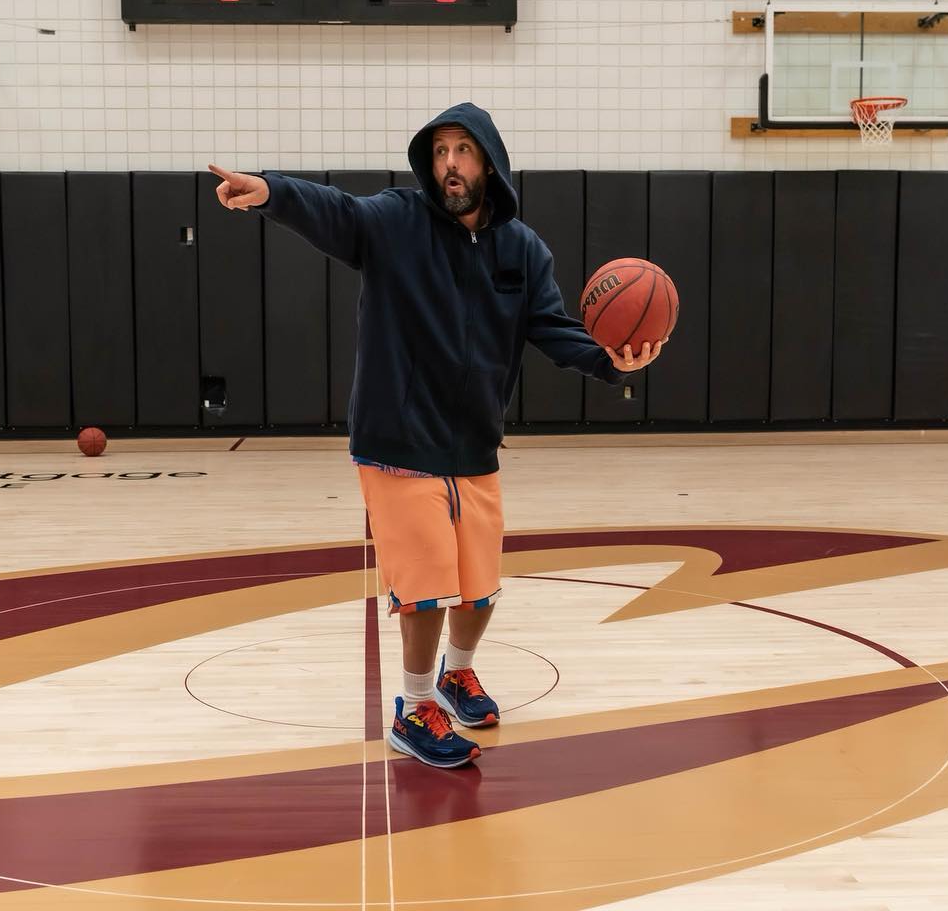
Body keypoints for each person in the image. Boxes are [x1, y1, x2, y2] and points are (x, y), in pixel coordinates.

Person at [209, 103, 663, 768]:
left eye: (463, 151)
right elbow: (338, 212)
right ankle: (414, 705)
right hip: (397, 439)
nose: (449, 164)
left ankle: (457, 673)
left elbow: (554, 328)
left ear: (490, 164)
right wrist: (274, 192)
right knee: (424, 588)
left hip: (473, 442)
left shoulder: (522, 250)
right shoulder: (396, 221)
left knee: (479, 589)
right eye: (440, 151)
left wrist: (609, 359)